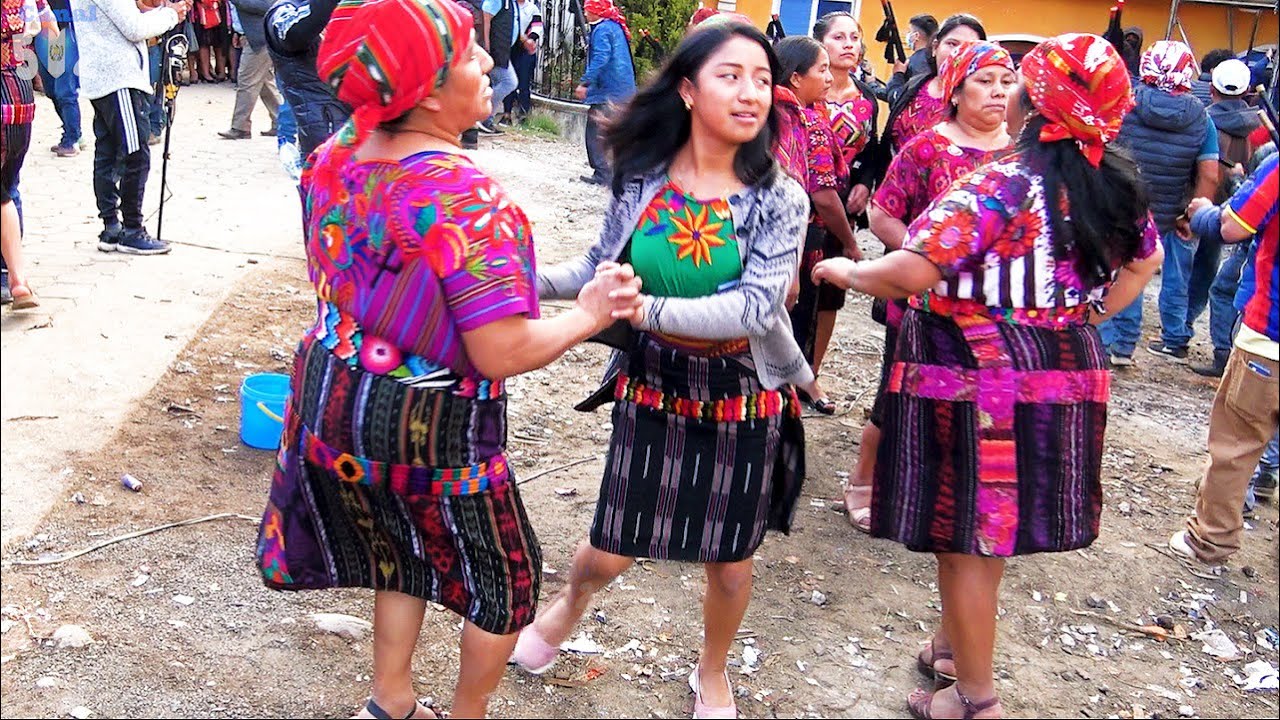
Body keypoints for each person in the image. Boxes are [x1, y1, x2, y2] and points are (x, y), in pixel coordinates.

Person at [254, 1, 644, 717]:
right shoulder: (464, 199)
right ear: (428, 90)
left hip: (333, 394)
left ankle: (390, 701)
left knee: (397, 548)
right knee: (505, 587)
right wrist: (587, 315)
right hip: (429, 421)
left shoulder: (336, 153)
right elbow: (501, 350)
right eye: (470, 52)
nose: (491, 61)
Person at [812, 34, 1160, 719]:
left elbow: (914, 267)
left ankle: (974, 701)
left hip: (977, 376)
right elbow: (1143, 264)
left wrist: (848, 271)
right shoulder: (1115, 181)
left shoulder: (1005, 182)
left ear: (1035, 100)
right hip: (1063, 373)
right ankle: (951, 647)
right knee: (989, 531)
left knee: (964, 542)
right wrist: (1082, 313)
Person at [510, 22, 812, 720]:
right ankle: (568, 605)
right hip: (653, 383)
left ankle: (712, 670)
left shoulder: (778, 197)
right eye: (730, 76)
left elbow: (755, 306)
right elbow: (598, 269)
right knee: (612, 546)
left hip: (738, 391)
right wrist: (515, 285)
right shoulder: (644, 174)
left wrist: (636, 309)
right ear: (686, 87)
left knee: (731, 559)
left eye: (763, 79)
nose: (751, 93)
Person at [843, 40, 1015, 538]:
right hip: (922, 305)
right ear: (956, 90)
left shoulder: (1022, 153)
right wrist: (927, 264)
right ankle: (864, 483)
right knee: (896, 395)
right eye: (985, 82)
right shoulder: (927, 147)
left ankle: (952, 491)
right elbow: (882, 213)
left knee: (980, 401)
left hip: (993, 313)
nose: (998, 92)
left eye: (1006, 82)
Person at [1170, 152, 1278, 565]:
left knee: (1236, 446)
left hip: (1270, 337)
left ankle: (1208, 545)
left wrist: (1201, 215)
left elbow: (1233, 226)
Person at [1102, 40, 1219, 366]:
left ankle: (1114, 345)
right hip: (1171, 213)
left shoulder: (1125, 104)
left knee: (1119, 269)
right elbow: (1209, 174)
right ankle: (1170, 339)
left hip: (1123, 206)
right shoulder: (1200, 116)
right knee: (1174, 275)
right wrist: (1193, 215)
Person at [775, 35, 861, 417]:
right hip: (803, 235)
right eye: (821, 69)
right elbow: (823, 194)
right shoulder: (807, 121)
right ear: (795, 78)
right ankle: (788, 396)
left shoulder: (776, 112)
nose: (828, 78)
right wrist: (850, 241)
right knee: (796, 320)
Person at [77, 0, 188, 255]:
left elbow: (121, 18)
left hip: (102, 77)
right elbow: (134, 28)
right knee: (135, 154)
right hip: (119, 78)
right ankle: (132, 229)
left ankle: (112, 226)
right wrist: (170, 15)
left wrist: (159, 12)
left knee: (108, 154)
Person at [1192, 58, 1261, 378]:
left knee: (1223, 287)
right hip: (1245, 209)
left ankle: (1223, 352)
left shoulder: (1203, 121)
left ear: (1213, 88)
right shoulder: (1258, 125)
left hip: (1221, 208)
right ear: (1246, 90)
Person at [2, 0, 55, 309]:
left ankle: (12, 277)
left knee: (4, 192)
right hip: (18, 94)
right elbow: (50, 27)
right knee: (7, 188)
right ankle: (14, 277)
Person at [884, 13, 984, 154]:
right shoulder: (915, 85)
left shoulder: (981, 100)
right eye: (952, 44)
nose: (958, 53)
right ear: (935, 47)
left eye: (970, 47)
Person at [264, 0, 350, 159]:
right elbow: (295, 35)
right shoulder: (283, 11)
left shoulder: (349, 8)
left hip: (364, 133)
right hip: (324, 133)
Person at [575, 0, 635, 186]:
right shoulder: (614, 26)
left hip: (608, 89)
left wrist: (585, 82)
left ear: (595, 11)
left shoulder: (601, 30)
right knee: (616, 131)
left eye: (587, 10)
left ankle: (601, 172)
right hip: (623, 89)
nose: (584, 13)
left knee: (594, 129)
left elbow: (601, 57)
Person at [218, 0, 281, 139]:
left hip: (259, 40)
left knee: (246, 81)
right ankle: (282, 122)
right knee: (265, 84)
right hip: (253, 37)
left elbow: (268, 5)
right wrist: (238, 32)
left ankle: (240, 127)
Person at [33, 0, 81, 156]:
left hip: (64, 31)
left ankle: (71, 140)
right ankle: (74, 132)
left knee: (65, 91)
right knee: (51, 90)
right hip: (42, 33)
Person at [477, 0, 516, 134]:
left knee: (502, 83)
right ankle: (482, 115)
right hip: (496, 50)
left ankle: (485, 118)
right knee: (508, 82)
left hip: (502, 50)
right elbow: (486, 15)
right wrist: (487, 45)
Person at [500, 0, 539, 123]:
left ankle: (524, 115)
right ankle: (507, 114)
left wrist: (530, 40)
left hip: (525, 51)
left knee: (524, 83)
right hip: (510, 48)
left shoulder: (532, 9)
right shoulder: (508, 6)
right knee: (509, 82)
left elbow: (537, 28)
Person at [898, 13, 937, 85]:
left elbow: (900, 93)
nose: (907, 34)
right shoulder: (938, 57)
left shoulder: (914, 62)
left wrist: (898, 75)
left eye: (909, 31)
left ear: (916, 36)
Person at [191, 0, 225, 80]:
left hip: (217, 8)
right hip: (201, 10)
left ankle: (220, 71)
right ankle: (205, 72)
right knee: (204, 42)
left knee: (219, 42)